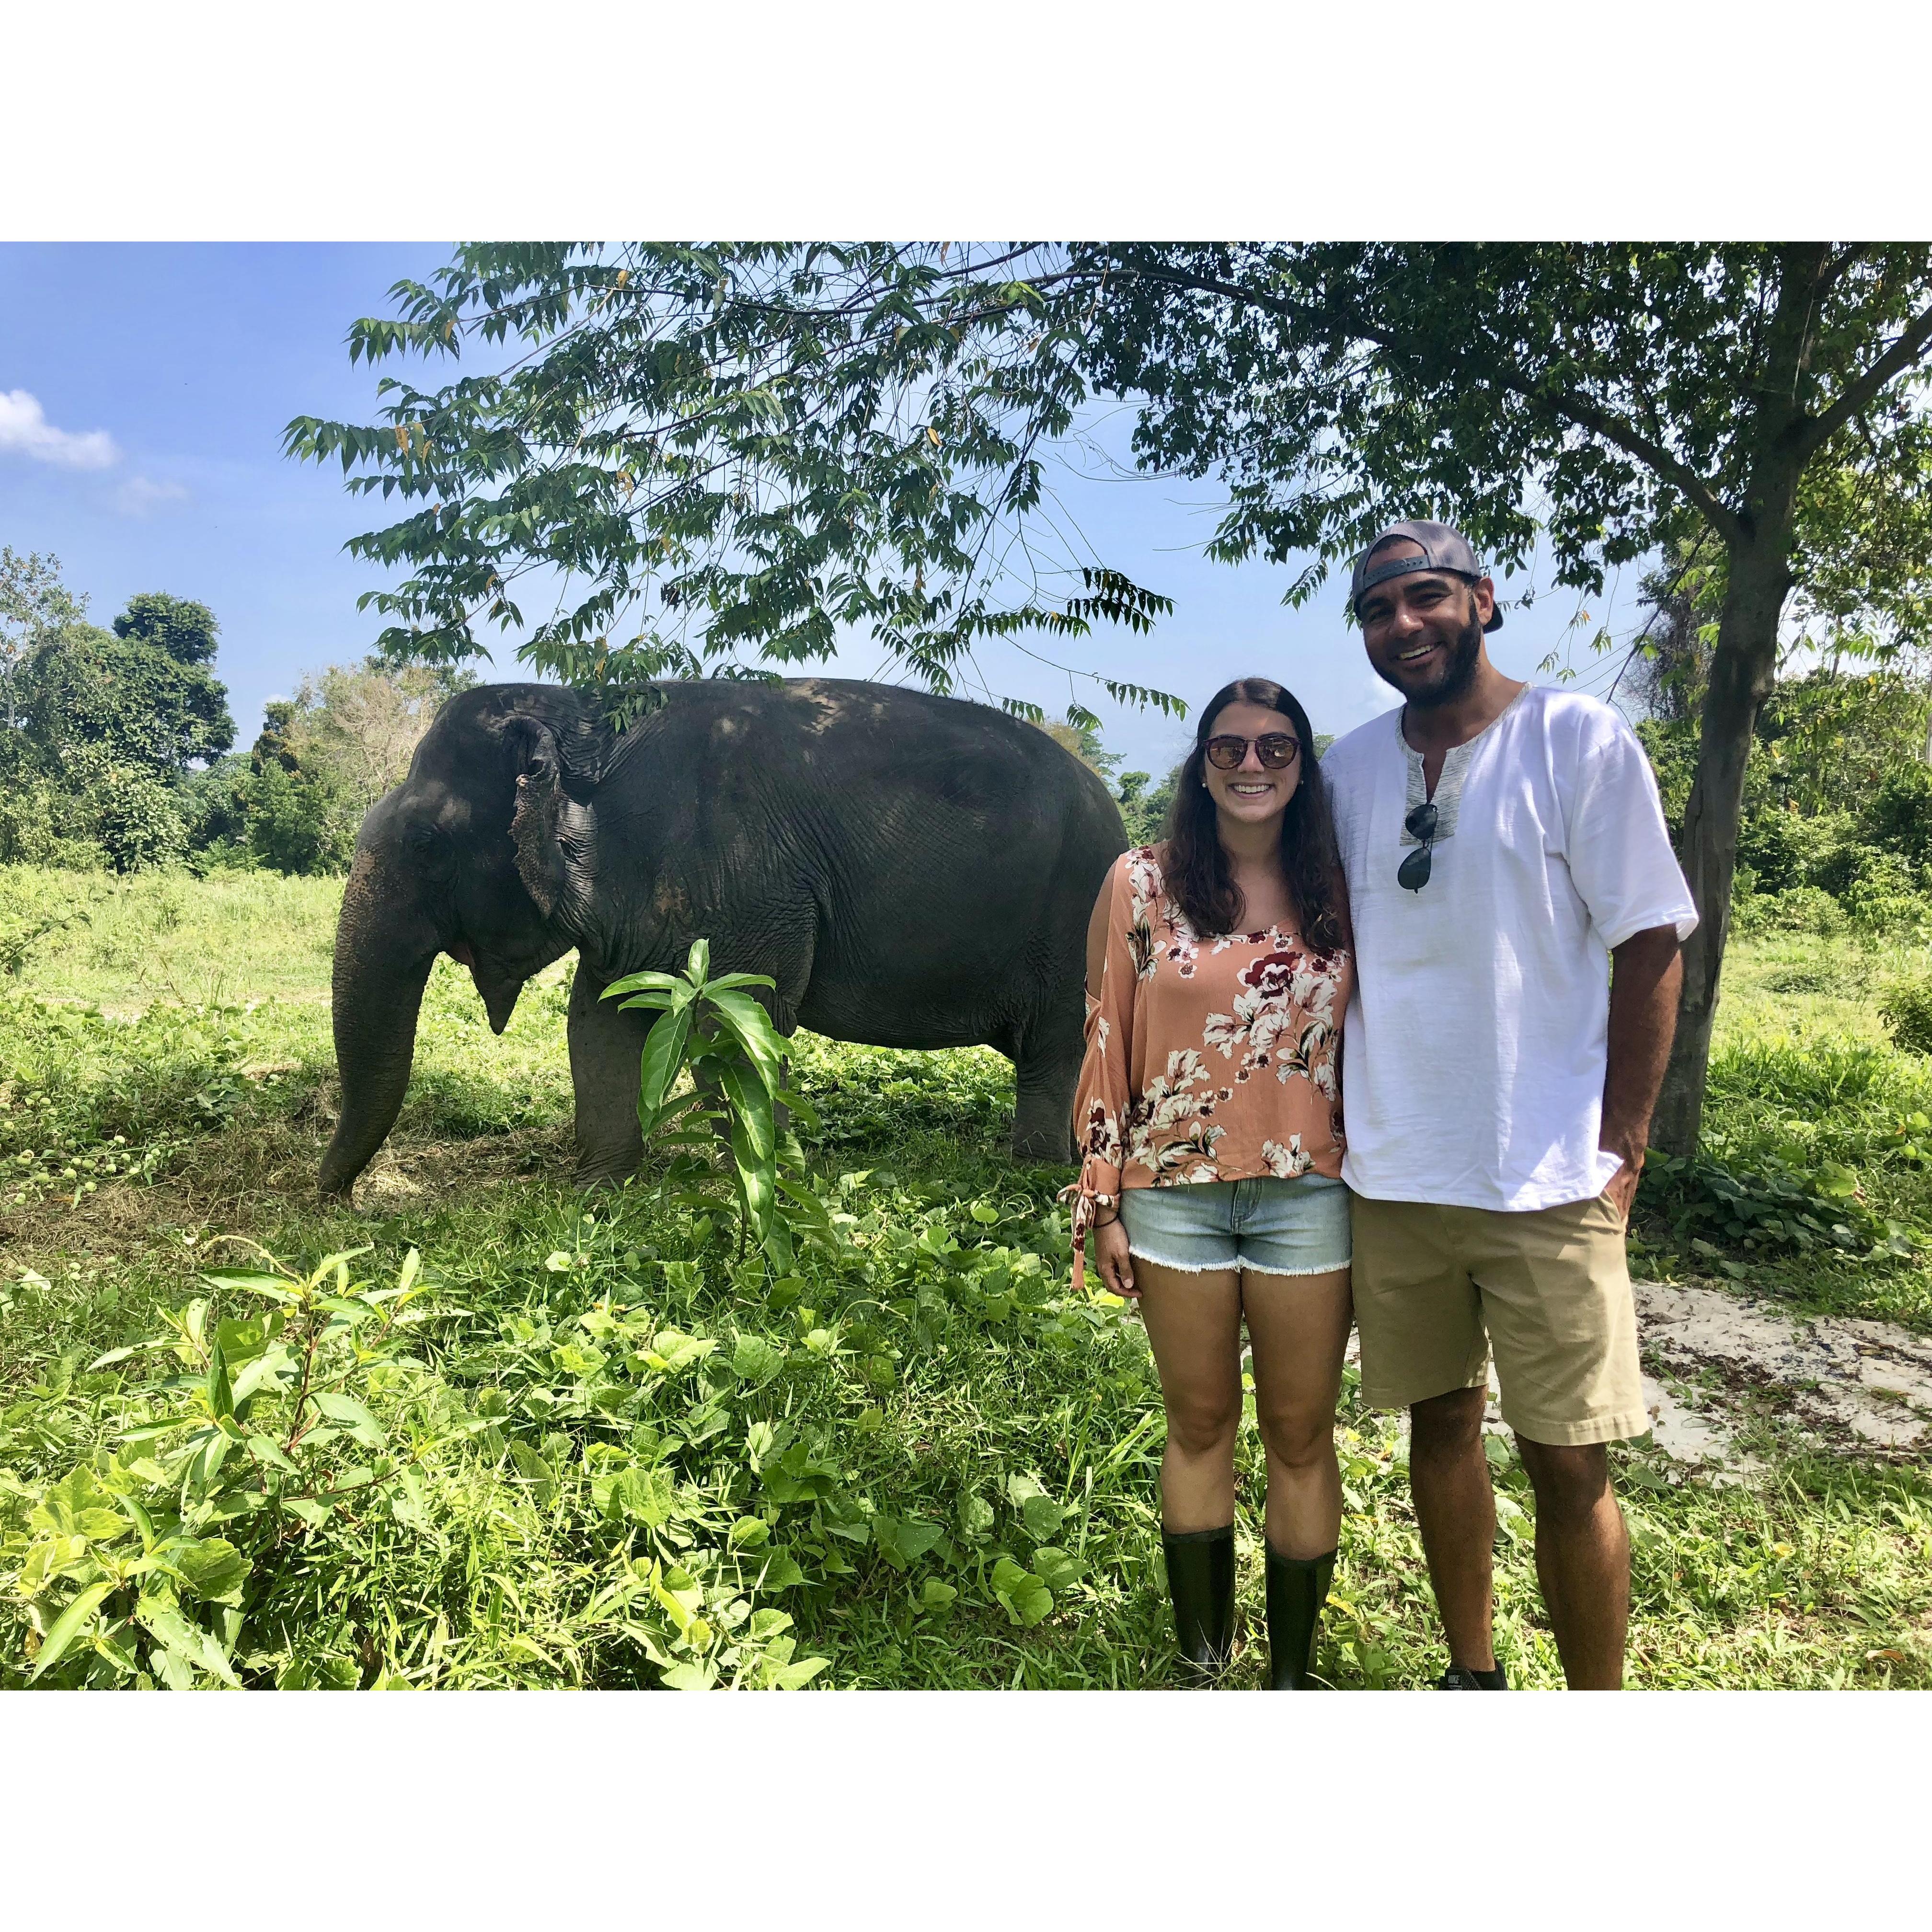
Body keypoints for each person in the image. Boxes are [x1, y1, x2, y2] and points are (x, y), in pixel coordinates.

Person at [1321, 519, 1697, 1690]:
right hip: (1393, 1170)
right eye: (1379, 612)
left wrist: (1623, 1140)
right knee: (1438, 1430)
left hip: (1545, 1172)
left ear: (1484, 600)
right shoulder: (1350, 766)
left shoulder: (1573, 738)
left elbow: (1650, 941)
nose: (1404, 627)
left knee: (1570, 1464)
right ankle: (1471, 1678)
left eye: (1425, 598)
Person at [1069, 678, 1355, 1689]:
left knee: (1299, 1432)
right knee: (1198, 1425)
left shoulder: (1341, 884)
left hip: (1311, 1195)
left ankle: (1291, 1675)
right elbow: (1107, 1035)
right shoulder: (1141, 884)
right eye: (1230, 747)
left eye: (1277, 748)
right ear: (1201, 764)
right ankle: (1203, 1665)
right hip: (1173, 1195)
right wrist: (1100, 1192)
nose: (1252, 765)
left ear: (1302, 768)